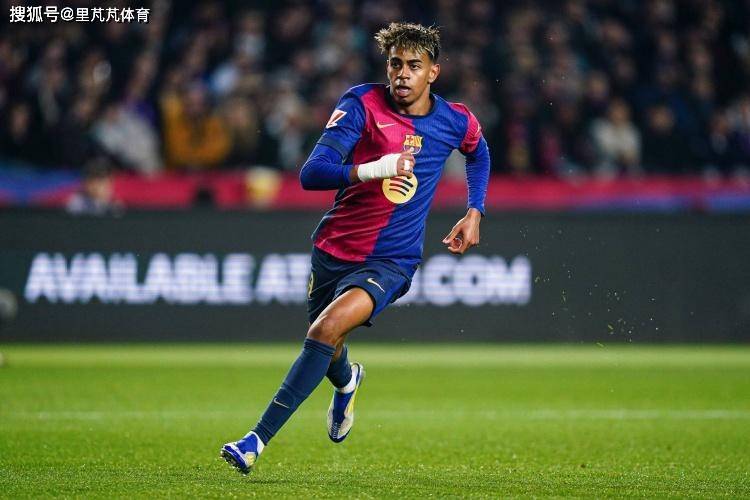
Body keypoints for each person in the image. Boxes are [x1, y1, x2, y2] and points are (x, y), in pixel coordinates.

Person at [220, 22, 490, 474]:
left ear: (433, 73)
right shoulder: (361, 104)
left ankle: (255, 440)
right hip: (333, 249)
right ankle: (347, 383)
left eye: (414, 66)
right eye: (395, 64)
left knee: (324, 330)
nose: (402, 74)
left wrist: (474, 210)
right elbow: (312, 173)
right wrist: (374, 168)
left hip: (391, 260)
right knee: (329, 343)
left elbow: (478, 152)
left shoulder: (455, 119)